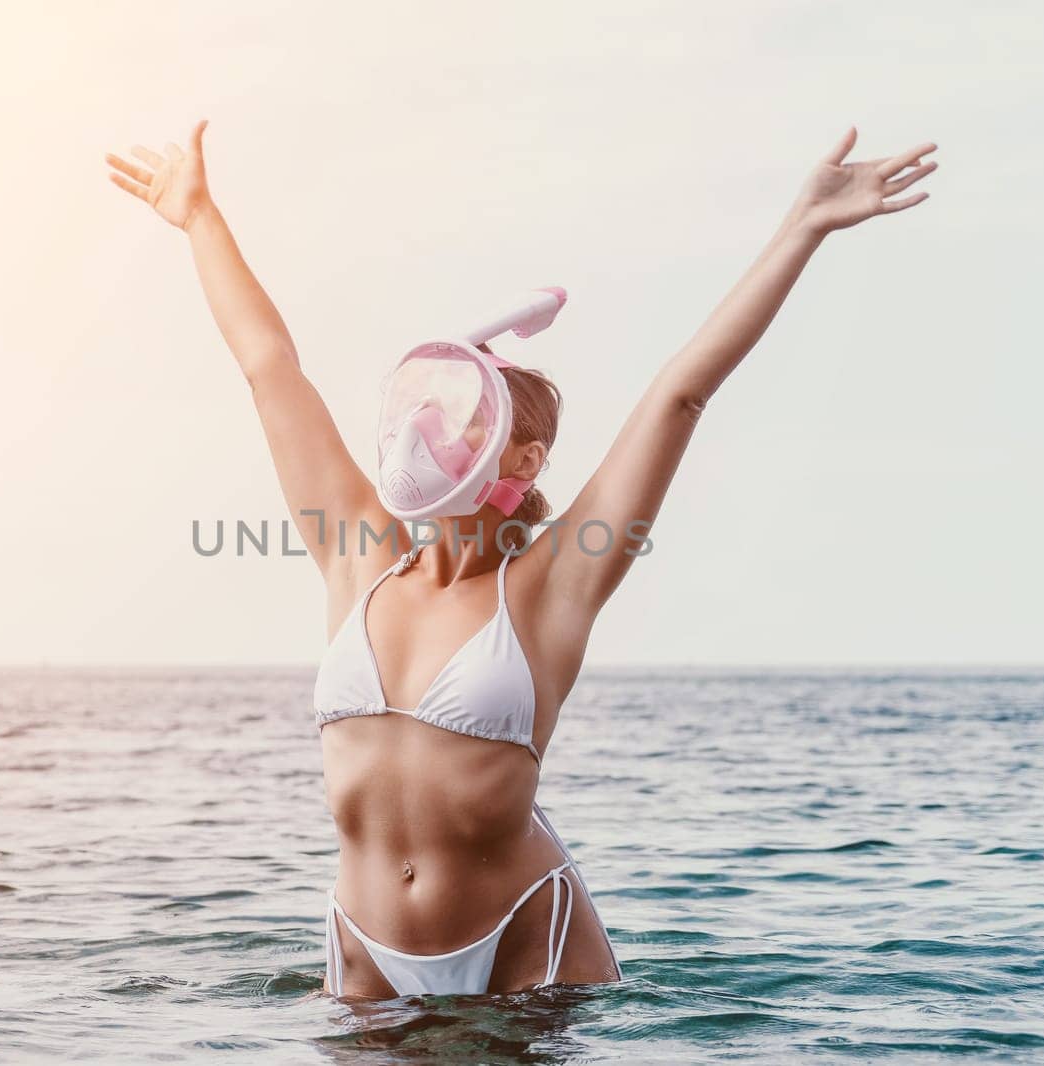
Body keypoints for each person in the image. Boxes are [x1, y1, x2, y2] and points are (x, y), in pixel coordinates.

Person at [105, 120, 937, 999]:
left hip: (524, 945)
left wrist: (802, 227)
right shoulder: (358, 556)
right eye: (424, 407)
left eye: (459, 412)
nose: (426, 427)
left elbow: (682, 391)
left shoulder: (550, 587)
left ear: (521, 457)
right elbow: (269, 366)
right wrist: (199, 217)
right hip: (363, 952)